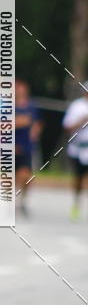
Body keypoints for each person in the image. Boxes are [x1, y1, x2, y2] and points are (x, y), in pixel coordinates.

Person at [14, 79, 41, 216]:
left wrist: (35, 132)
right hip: (11, 145)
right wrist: (18, 122)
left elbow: (36, 123)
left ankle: (22, 200)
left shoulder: (31, 106)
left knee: (26, 174)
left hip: (26, 146)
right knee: (12, 175)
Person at [62, 82, 88, 220]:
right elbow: (67, 127)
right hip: (78, 148)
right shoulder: (77, 106)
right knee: (78, 178)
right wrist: (82, 121)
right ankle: (76, 203)